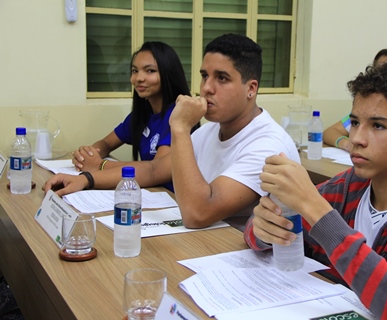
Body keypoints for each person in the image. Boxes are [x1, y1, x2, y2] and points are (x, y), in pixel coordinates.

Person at [244, 61, 387, 319]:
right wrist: (264, 228)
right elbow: (255, 233)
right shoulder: (348, 186)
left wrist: (313, 206)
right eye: (354, 122)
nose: (356, 139)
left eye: (378, 126)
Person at [43, 33, 300, 229]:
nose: (207, 87)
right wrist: (86, 180)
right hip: (208, 245)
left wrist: (179, 127)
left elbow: (198, 214)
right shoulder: (209, 132)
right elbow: (155, 170)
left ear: (251, 89)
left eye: (221, 78)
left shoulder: (267, 145)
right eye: (204, 76)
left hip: (253, 264)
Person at [72, 41, 199, 192]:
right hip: (148, 193)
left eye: (150, 71)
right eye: (134, 71)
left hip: (171, 200)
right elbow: (107, 142)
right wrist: (87, 155)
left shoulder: (178, 115)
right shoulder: (142, 113)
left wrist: (100, 165)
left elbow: (155, 170)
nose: (139, 78)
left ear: (168, 73)